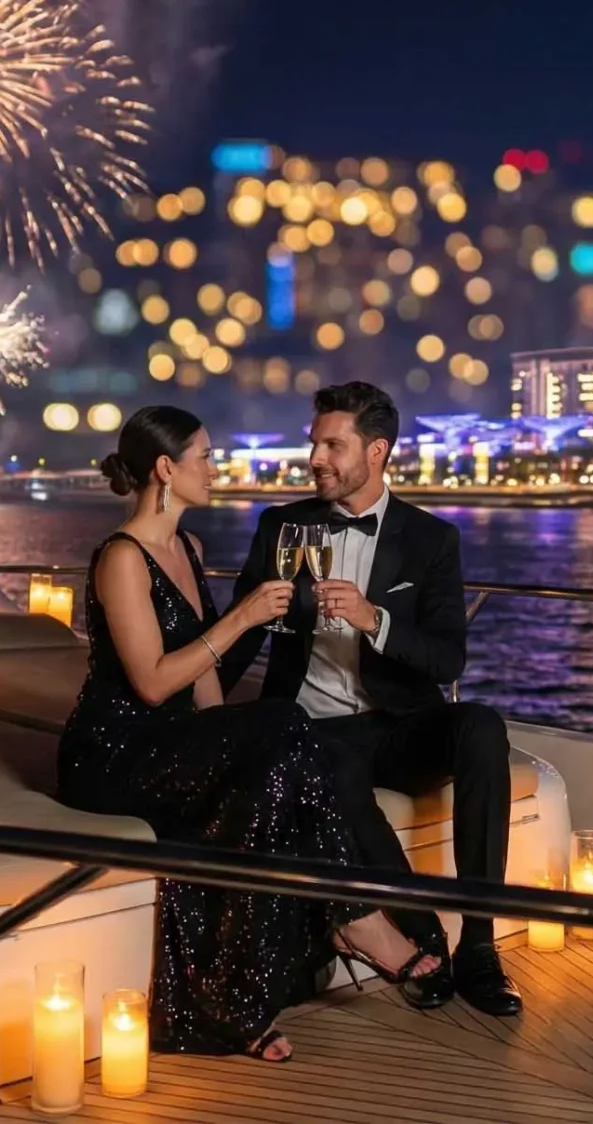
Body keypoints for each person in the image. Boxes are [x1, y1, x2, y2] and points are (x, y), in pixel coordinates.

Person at [55, 405, 441, 1062]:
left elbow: (204, 681)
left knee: (270, 757)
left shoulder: (189, 548)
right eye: (205, 457)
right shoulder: (122, 557)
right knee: (284, 724)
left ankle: (240, 1002)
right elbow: (150, 682)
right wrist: (243, 617)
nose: (217, 467)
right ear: (166, 469)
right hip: (114, 751)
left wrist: (233, 744)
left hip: (173, 741)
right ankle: (358, 918)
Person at [218, 381, 525, 1018]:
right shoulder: (282, 526)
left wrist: (373, 618)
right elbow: (243, 632)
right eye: (315, 443)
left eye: (334, 444)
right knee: (332, 765)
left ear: (377, 451)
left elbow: (448, 659)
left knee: (482, 729)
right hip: (316, 728)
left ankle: (480, 945)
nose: (316, 457)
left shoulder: (432, 540)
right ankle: (422, 936)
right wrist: (199, 712)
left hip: (402, 721)